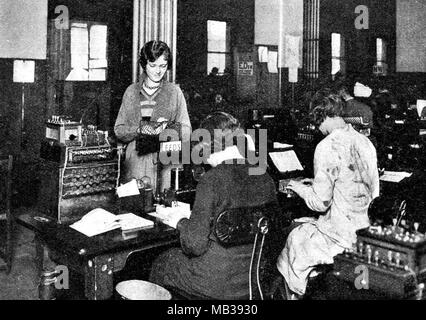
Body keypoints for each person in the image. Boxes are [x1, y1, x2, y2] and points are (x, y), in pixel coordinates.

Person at [149, 112, 278, 299]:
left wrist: (180, 221)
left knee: (163, 263)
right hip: (252, 279)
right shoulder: (266, 178)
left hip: (214, 281)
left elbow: (194, 245)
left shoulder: (212, 180)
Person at [276, 91, 379, 298]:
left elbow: (319, 203)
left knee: (292, 240)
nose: (317, 129)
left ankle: (299, 294)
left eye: (316, 123)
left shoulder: (326, 146)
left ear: (320, 115)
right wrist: (317, 183)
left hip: (340, 238)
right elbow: (361, 184)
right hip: (365, 231)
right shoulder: (365, 142)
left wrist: (298, 187)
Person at [114, 40, 191, 192]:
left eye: (163, 66)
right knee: (135, 206)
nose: (158, 71)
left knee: (165, 208)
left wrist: (168, 128)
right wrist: (142, 129)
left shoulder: (175, 92)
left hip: (166, 163)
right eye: (153, 65)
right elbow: (119, 130)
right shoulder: (131, 92)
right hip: (136, 162)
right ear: (144, 64)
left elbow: (187, 130)